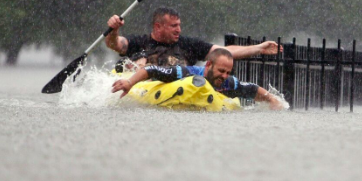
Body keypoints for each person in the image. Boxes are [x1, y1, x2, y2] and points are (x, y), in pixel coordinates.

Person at [111, 48, 285, 110]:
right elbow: (151, 70)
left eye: (228, 72)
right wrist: (129, 83)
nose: (224, 76)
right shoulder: (185, 72)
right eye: (221, 70)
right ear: (208, 65)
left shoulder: (227, 82)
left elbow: (252, 89)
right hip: (160, 89)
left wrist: (272, 100)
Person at [105, 7, 281, 67]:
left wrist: (258, 48)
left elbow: (224, 51)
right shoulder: (139, 42)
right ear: (158, 27)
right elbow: (115, 44)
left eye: (179, 25)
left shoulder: (189, 44)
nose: (179, 30)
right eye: (174, 26)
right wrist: (113, 30)